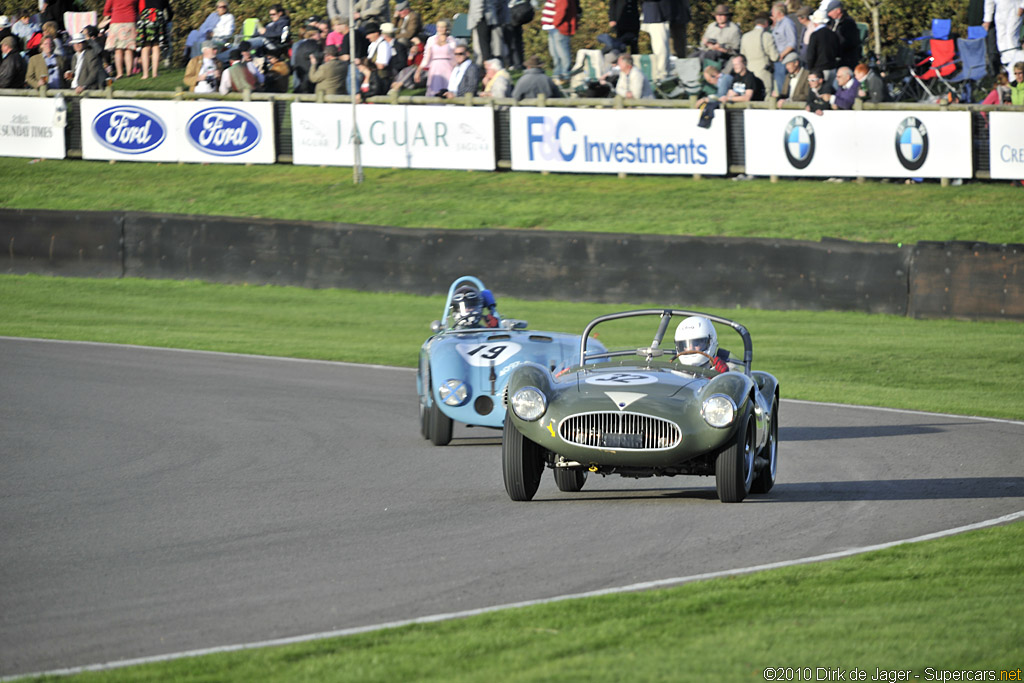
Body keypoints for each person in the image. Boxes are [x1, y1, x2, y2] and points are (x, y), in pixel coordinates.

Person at [639, 0, 681, 81]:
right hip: (656, 14)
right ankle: (662, 73)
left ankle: (664, 72)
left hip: (661, 14)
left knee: (663, 47)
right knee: (661, 47)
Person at [983, 0, 1024, 77]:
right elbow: (989, 2)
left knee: (1011, 39)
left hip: (1015, 9)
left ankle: (1017, 68)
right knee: (1001, 41)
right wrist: (987, 19)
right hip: (1000, 11)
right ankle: (1008, 69)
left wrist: (1022, 6)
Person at [416, 18, 456, 96]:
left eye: (442, 27)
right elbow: (426, 57)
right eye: (438, 27)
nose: (440, 29)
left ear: (446, 28)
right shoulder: (431, 40)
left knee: (448, 86)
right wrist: (419, 70)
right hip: (435, 67)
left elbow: (454, 56)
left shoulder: (452, 40)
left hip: (448, 67)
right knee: (434, 88)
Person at [541, 0, 578, 84]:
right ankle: (557, 75)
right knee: (555, 54)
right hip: (553, 28)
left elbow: (562, 10)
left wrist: (555, 24)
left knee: (563, 53)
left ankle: (564, 75)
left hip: (560, 29)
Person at [741, 14, 779, 95]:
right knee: (766, 95)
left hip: (749, 71)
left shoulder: (745, 36)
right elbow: (774, 57)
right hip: (764, 72)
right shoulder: (767, 36)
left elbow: (742, 55)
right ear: (766, 24)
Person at [102, 0, 138, 80]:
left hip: (116, 21)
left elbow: (107, 8)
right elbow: (137, 6)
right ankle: (129, 72)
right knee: (129, 49)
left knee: (118, 50)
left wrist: (109, 14)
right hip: (130, 20)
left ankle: (119, 73)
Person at [137, 0, 172, 79]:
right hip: (158, 17)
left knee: (145, 47)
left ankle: (145, 74)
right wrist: (168, 20)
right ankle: (154, 73)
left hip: (145, 17)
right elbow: (168, 9)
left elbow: (139, 6)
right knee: (156, 46)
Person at [469, 0, 510, 66]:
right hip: (490, 16)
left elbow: (478, 3)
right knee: (490, 46)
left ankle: (486, 66)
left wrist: (478, 17)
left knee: (484, 47)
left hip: (483, 17)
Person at [770, 2, 798, 96]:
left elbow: (792, 42)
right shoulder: (777, 24)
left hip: (785, 58)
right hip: (778, 59)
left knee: (783, 85)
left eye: (773, 11)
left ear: (778, 12)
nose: (771, 13)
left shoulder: (787, 23)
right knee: (778, 84)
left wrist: (782, 54)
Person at [804, 8, 839, 83]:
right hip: (832, 69)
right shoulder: (833, 34)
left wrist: (810, 69)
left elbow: (811, 55)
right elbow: (837, 52)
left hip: (819, 70)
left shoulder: (815, 35)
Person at [825, 0, 860, 70]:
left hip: (846, 58)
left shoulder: (848, 23)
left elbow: (849, 41)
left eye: (830, 11)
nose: (828, 14)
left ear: (838, 11)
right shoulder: (831, 22)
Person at [290, 24, 323, 93]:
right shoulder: (315, 45)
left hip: (301, 77)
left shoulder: (300, 45)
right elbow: (319, 59)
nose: (320, 35)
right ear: (314, 34)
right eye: (319, 33)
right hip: (311, 78)